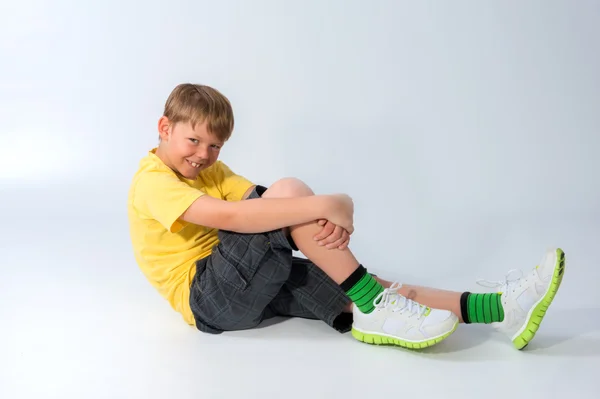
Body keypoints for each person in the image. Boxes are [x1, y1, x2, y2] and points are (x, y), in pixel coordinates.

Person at [127, 83, 565, 350]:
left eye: (215, 146)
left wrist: (317, 215)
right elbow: (236, 217)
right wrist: (328, 204)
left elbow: (261, 204)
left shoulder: (213, 170)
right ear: (164, 128)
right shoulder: (152, 181)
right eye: (193, 140)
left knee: (364, 285)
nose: (204, 155)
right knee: (292, 192)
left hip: (242, 281)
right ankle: (374, 304)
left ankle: (500, 309)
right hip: (209, 297)